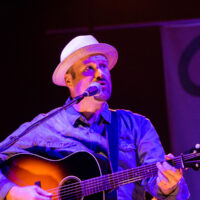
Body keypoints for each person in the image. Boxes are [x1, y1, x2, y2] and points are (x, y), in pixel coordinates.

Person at [0, 35, 190, 200]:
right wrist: (12, 192)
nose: (100, 74)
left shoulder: (137, 126)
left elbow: (158, 182)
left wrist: (168, 186)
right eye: (89, 68)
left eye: (103, 66)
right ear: (68, 80)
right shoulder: (45, 126)